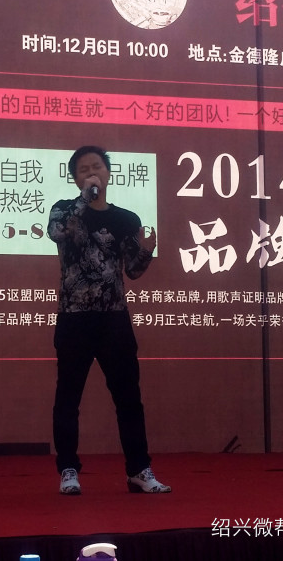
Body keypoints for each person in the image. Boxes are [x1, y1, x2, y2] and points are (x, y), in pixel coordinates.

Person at [47, 145, 170, 496]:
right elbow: (58, 233)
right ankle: (68, 470)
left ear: (109, 173)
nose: (92, 173)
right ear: (75, 179)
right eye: (84, 170)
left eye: (97, 167)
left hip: (113, 319)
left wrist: (146, 250)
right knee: (68, 398)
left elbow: (133, 271)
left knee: (128, 398)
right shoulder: (64, 210)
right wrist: (84, 201)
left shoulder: (126, 219)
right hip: (74, 319)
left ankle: (139, 470)